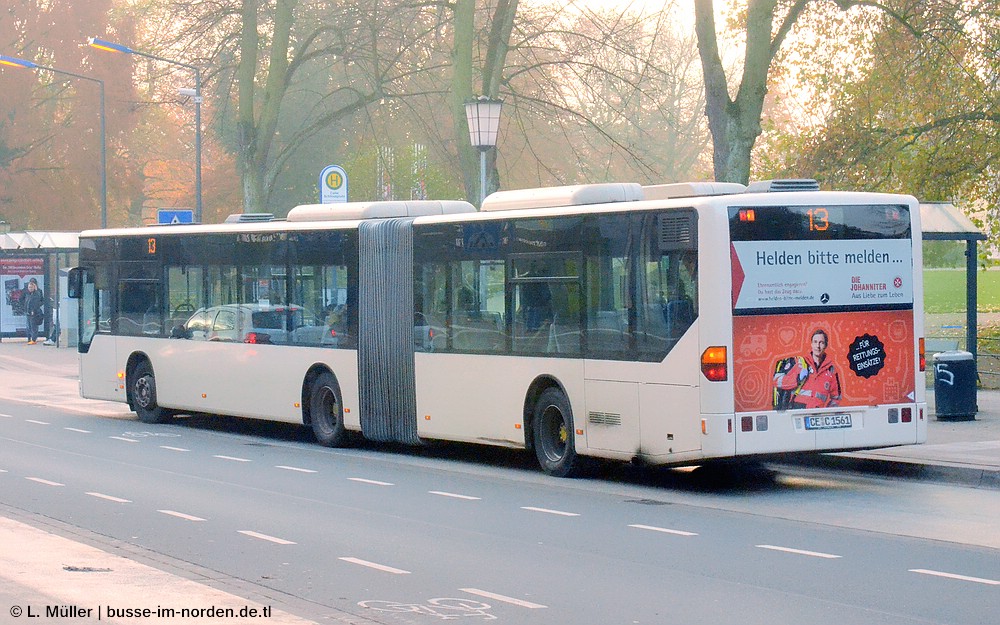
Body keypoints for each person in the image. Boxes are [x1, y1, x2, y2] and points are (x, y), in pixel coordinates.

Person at [773, 328, 842, 409]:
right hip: (796, 411)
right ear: (811, 344)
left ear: (826, 345)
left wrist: (826, 414)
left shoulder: (831, 371)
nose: (818, 346)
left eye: (821, 343)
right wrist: (796, 379)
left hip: (816, 415)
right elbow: (776, 381)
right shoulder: (799, 362)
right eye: (815, 342)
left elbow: (836, 398)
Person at [23, 278, 44, 345]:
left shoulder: (37, 293)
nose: (30, 288)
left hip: (33, 312)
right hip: (28, 312)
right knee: (28, 326)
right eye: (29, 287)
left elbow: (37, 302)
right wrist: (24, 307)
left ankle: (33, 339)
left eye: (31, 287)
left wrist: (34, 309)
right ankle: (30, 338)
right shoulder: (27, 293)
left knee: (33, 326)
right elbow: (23, 300)